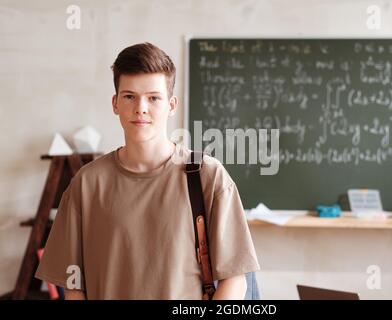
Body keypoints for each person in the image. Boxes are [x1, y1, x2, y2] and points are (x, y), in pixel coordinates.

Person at [35, 42, 260, 300]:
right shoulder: (86, 184)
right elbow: (73, 287)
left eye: (154, 98)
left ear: (171, 105)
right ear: (115, 103)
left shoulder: (207, 175)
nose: (141, 107)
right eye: (129, 96)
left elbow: (234, 280)